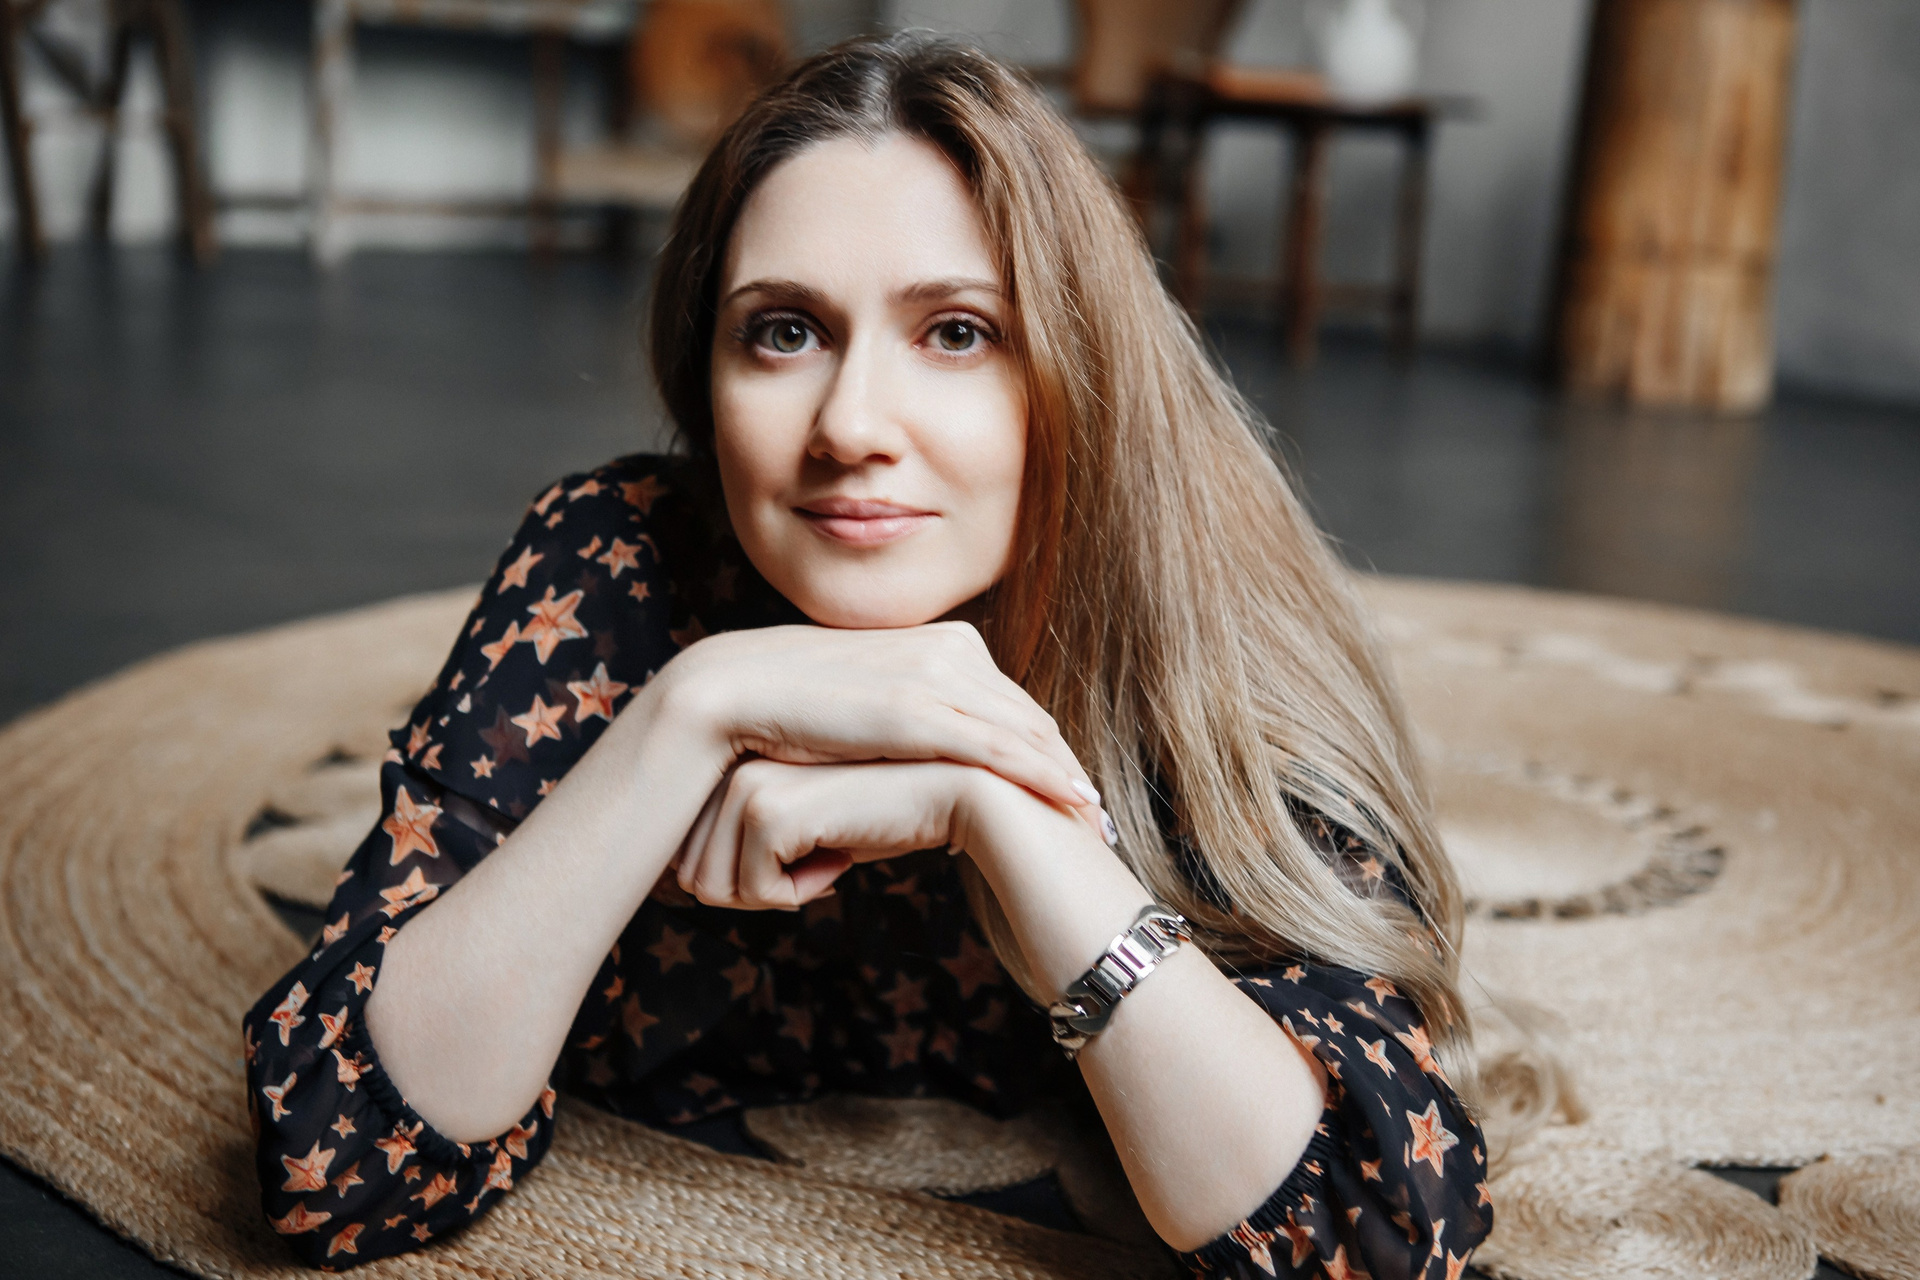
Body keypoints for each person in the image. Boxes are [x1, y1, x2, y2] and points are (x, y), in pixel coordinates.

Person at [244, 34, 1491, 1277]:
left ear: (1081, 367)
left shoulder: (1199, 613)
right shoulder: (621, 560)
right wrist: (698, 703)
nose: (849, 425)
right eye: (784, 331)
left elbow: (1374, 1241)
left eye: (957, 332)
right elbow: (337, 1157)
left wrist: (1003, 805)